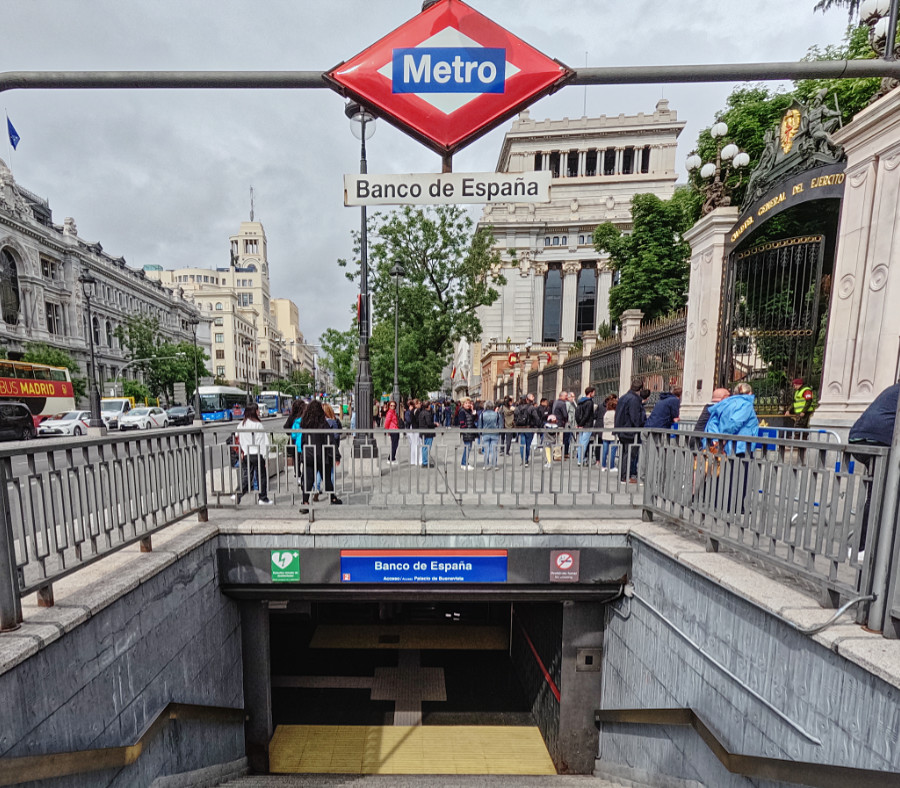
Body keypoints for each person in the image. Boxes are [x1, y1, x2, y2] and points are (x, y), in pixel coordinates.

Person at [848, 382, 899, 552]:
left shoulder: (892, 390)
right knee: (878, 494)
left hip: (860, 437)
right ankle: (864, 547)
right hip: (877, 442)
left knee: (879, 492)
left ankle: (869, 545)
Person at [705, 382, 759, 514]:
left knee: (725, 475)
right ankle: (735, 506)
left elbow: (712, 423)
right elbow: (735, 422)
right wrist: (724, 437)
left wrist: (717, 439)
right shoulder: (746, 404)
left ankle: (719, 502)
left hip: (726, 446)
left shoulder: (725, 403)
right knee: (741, 478)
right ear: (749, 393)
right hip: (741, 446)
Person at [298, 400, 342, 513]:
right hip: (322, 455)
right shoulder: (323, 423)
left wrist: (303, 453)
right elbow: (330, 440)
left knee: (308, 479)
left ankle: (305, 502)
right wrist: (336, 456)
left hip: (308, 454)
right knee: (326, 478)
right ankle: (332, 497)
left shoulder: (306, 424)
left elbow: (303, 440)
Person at [234, 403, 273, 505]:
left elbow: (237, 437)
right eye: (257, 410)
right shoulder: (258, 425)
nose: (259, 412)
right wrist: (266, 456)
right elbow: (263, 442)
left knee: (247, 477)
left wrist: (241, 451)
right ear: (254, 411)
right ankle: (262, 498)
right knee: (261, 477)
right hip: (257, 453)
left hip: (246, 453)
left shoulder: (241, 424)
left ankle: (238, 493)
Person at [615, 379, 646, 483]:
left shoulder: (623, 397)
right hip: (630, 430)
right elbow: (634, 416)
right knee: (629, 454)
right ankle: (624, 476)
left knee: (625, 453)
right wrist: (640, 425)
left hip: (622, 428)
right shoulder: (634, 399)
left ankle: (623, 475)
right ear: (640, 389)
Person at [514, 393, 540, 466]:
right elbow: (536, 418)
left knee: (522, 444)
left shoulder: (517, 408)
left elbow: (515, 418)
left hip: (520, 428)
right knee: (528, 445)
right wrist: (537, 425)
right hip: (529, 428)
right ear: (527, 399)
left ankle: (523, 460)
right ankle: (526, 459)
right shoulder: (531, 408)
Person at [575, 386, 596, 465]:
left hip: (581, 424)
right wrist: (582, 424)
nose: (594, 394)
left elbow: (577, 413)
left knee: (581, 442)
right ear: (590, 393)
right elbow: (587, 415)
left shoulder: (580, 401)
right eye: (593, 392)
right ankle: (581, 460)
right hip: (587, 425)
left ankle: (580, 459)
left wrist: (579, 424)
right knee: (584, 443)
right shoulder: (589, 402)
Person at [596, 395, 618, 471]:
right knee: (612, 451)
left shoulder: (606, 413)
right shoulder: (615, 414)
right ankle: (611, 466)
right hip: (613, 434)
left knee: (604, 451)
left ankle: (603, 465)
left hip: (605, 433)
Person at [480, 400, 501, 469]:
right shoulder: (497, 414)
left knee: (486, 450)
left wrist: (480, 433)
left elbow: (480, 425)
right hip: (495, 433)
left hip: (485, 433)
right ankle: (494, 465)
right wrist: (499, 432)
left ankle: (486, 465)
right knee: (494, 450)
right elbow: (500, 424)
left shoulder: (482, 414)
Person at [458, 397, 477, 469]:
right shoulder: (462, 411)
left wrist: (473, 410)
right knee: (467, 447)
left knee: (468, 447)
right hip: (467, 432)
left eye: (469, 403)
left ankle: (465, 462)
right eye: (466, 403)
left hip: (470, 431)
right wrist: (465, 428)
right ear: (463, 404)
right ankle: (464, 463)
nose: (468, 404)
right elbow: (462, 422)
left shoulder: (469, 411)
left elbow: (474, 419)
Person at [417, 399, 436, 467]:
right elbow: (429, 423)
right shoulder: (427, 413)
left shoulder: (421, 412)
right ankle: (425, 462)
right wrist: (435, 424)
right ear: (428, 406)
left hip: (423, 432)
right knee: (427, 447)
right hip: (428, 432)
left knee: (424, 447)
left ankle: (424, 461)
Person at [384, 400, 400, 464]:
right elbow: (387, 422)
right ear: (389, 406)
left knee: (395, 444)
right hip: (393, 429)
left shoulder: (393, 412)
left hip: (395, 429)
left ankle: (392, 457)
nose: (392, 407)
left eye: (394, 405)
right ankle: (391, 458)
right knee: (394, 445)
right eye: (391, 405)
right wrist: (387, 430)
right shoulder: (390, 413)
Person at [406, 398, 421, 467]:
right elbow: (417, 420)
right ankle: (417, 460)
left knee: (413, 444)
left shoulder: (412, 411)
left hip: (413, 428)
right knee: (417, 444)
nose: (420, 404)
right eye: (419, 403)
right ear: (416, 404)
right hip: (416, 428)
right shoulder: (416, 411)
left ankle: (413, 460)